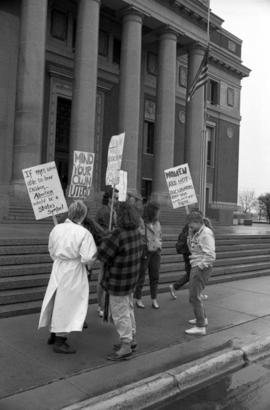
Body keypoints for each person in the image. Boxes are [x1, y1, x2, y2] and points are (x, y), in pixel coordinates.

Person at [38, 200, 97, 353]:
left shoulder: (56, 229)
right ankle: (60, 340)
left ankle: (53, 333)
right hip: (74, 270)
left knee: (56, 299)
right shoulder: (84, 233)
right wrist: (87, 265)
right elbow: (88, 257)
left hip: (58, 267)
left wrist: (59, 260)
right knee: (68, 304)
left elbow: (51, 250)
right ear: (83, 215)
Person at [98, 202, 144, 361]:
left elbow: (103, 255)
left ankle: (125, 346)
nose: (114, 215)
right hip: (131, 279)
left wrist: (106, 238)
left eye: (116, 213)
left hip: (118, 281)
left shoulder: (118, 234)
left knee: (120, 313)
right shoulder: (137, 232)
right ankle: (132, 340)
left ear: (121, 215)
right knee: (129, 309)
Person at [169, 213, 213, 300]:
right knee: (195, 274)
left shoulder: (190, 225)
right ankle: (177, 287)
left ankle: (193, 292)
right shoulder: (197, 226)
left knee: (193, 274)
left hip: (188, 253)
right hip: (191, 254)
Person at [185, 211, 216, 336]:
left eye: (191, 225)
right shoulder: (197, 232)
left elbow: (210, 255)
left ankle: (200, 325)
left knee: (194, 296)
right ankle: (202, 318)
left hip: (200, 267)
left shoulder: (205, 234)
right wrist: (189, 235)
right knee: (196, 294)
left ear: (198, 222)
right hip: (197, 265)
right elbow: (192, 249)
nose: (189, 227)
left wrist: (200, 267)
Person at [134, 201, 162, 309]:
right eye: (157, 211)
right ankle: (138, 298)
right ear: (152, 212)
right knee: (141, 276)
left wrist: (160, 245)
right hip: (145, 251)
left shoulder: (158, 223)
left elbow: (160, 235)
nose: (159, 214)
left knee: (155, 276)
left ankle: (154, 298)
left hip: (156, 252)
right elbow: (138, 235)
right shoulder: (142, 222)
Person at [95, 189, 118, 317]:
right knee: (102, 276)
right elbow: (101, 230)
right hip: (104, 246)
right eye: (115, 197)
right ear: (109, 198)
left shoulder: (111, 211)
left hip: (108, 246)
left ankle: (104, 305)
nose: (116, 199)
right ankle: (100, 305)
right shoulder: (104, 211)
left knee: (105, 275)